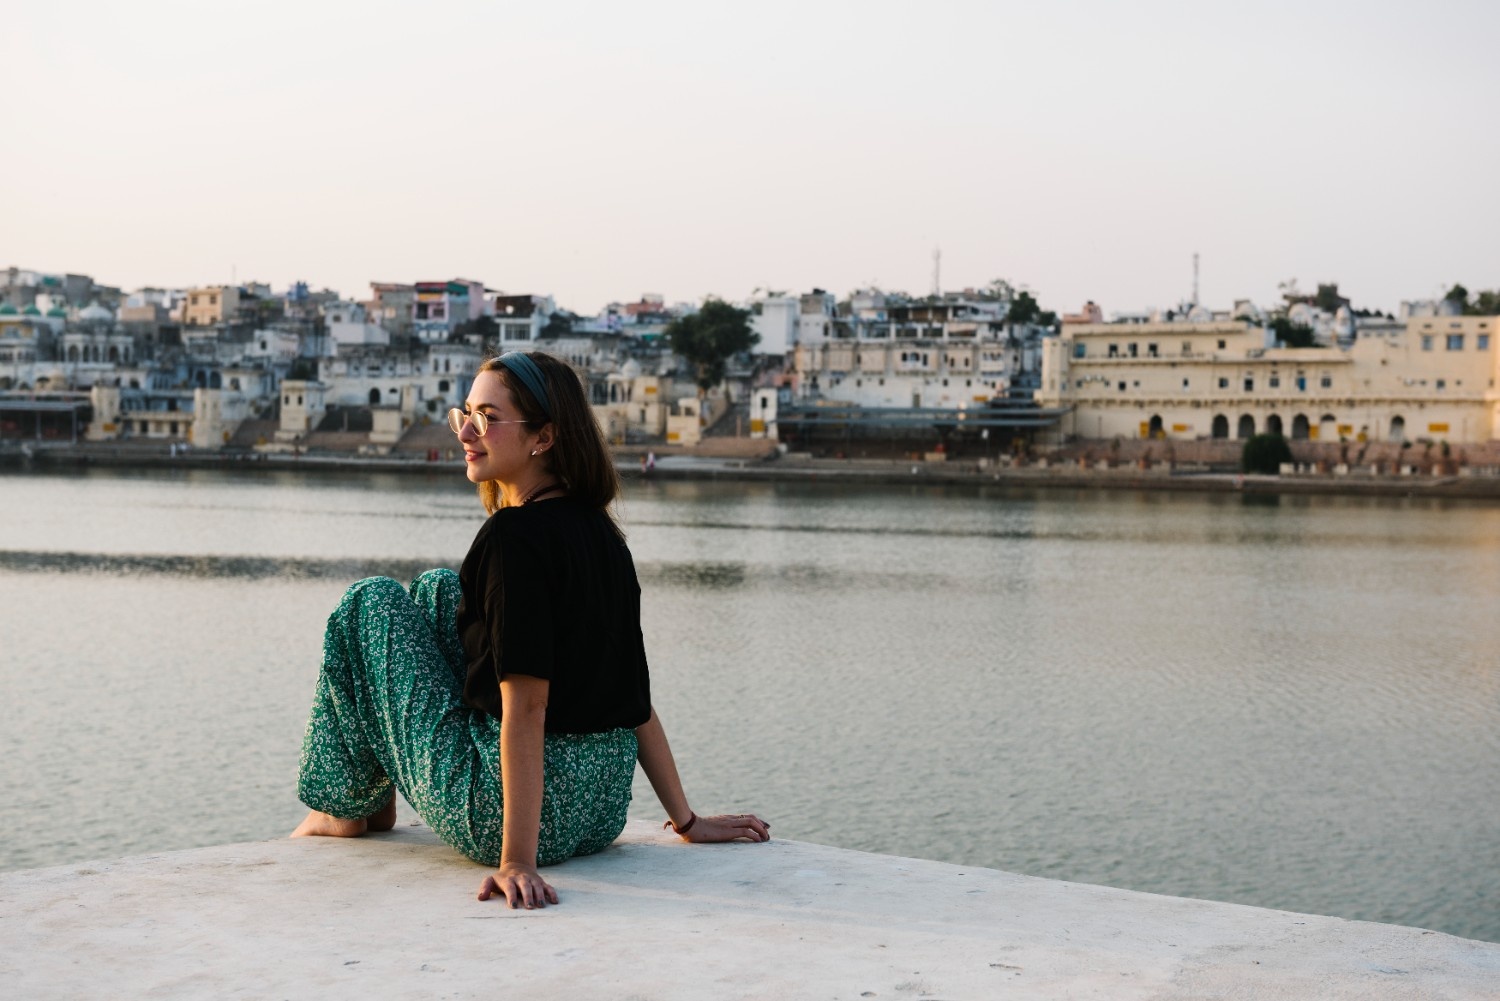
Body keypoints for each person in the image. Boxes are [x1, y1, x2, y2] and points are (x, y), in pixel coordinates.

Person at [291, 351, 770, 908]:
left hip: (509, 816)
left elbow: (528, 707)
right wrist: (686, 820)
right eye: (465, 413)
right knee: (438, 592)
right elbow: (634, 699)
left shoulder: (512, 539)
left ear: (543, 436)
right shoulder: (606, 538)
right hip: (599, 808)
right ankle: (372, 801)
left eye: (488, 418)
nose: (467, 431)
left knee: (368, 602)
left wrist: (516, 858)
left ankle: (344, 807)